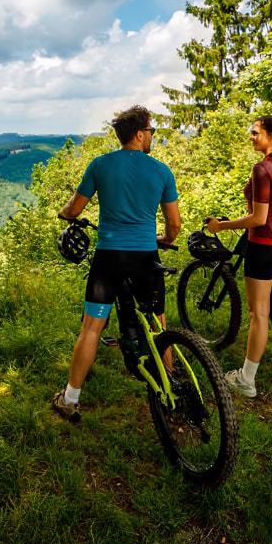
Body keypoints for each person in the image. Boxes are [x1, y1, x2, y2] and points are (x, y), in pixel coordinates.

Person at [51, 104, 181, 422]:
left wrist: (65, 216)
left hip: (109, 257)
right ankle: (170, 385)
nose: (152, 136)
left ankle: (70, 398)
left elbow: (73, 209)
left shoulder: (101, 165)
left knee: (91, 328)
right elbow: (175, 225)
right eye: (151, 131)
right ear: (139, 134)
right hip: (146, 256)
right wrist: (163, 239)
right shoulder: (161, 171)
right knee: (157, 322)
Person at [206, 115, 272, 399]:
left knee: (259, 313)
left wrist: (221, 225)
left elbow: (258, 218)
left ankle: (246, 379)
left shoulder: (262, 168)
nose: (251, 137)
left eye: (255, 133)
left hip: (265, 246)